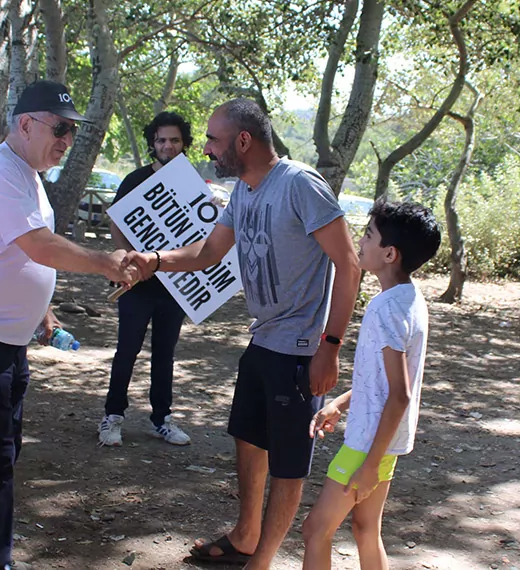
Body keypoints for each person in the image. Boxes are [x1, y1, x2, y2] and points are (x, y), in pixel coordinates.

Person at [126, 98, 362, 569]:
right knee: (249, 440)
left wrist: (329, 347)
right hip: (262, 342)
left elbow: (349, 264)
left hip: (299, 350)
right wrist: (153, 260)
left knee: (289, 463)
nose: (208, 149)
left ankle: (264, 558)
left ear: (244, 141)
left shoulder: (300, 184)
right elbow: (209, 251)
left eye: (214, 139)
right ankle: (247, 535)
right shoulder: (245, 192)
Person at [0, 79, 138, 570]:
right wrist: (104, 262)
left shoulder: (26, 173)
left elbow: (20, 257)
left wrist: (44, 317)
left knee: (2, 459)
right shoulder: (0, 171)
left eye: (72, 130)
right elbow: (39, 246)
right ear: (25, 123)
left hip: (7, 343)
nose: (67, 140)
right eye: (61, 128)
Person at [301, 200, 440, 570]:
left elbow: (400, 394)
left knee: (315, 530)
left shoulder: (385, 309)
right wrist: (341, 404)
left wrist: (370, 464)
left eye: (368, 234)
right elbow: (380, 382)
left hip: (368, 446)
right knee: (365, 528)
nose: (359, 241)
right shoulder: (410, 299)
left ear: (390, 253)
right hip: (385, 442)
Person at [99, 111, 194, 447]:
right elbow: (115, 223)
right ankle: (112, 416)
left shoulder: (192, 183)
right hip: (137, 284)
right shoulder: (136, 179)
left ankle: (161, 419)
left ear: (184, 144)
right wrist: (127, 263)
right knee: (127, 349)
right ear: (153, 143)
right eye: (161, 140)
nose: (167, 146)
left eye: (174, 140)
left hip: (174, 285)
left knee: (164, 353)